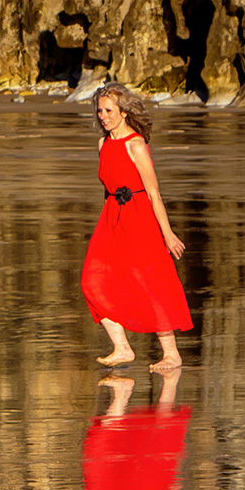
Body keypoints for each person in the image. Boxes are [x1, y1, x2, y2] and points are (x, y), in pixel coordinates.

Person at [79, 82, 192, 372]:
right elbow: (109, 185)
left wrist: (167, 234)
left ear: (124, 111)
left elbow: (154, 193)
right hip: (111, 218)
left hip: (141, 217)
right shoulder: (103, 144)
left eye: (109, 110)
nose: (103, 116)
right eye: (100, 111)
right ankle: (122, 347)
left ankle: (171, 354)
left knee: (150, 282)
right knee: (91, 279)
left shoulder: (136, 144)